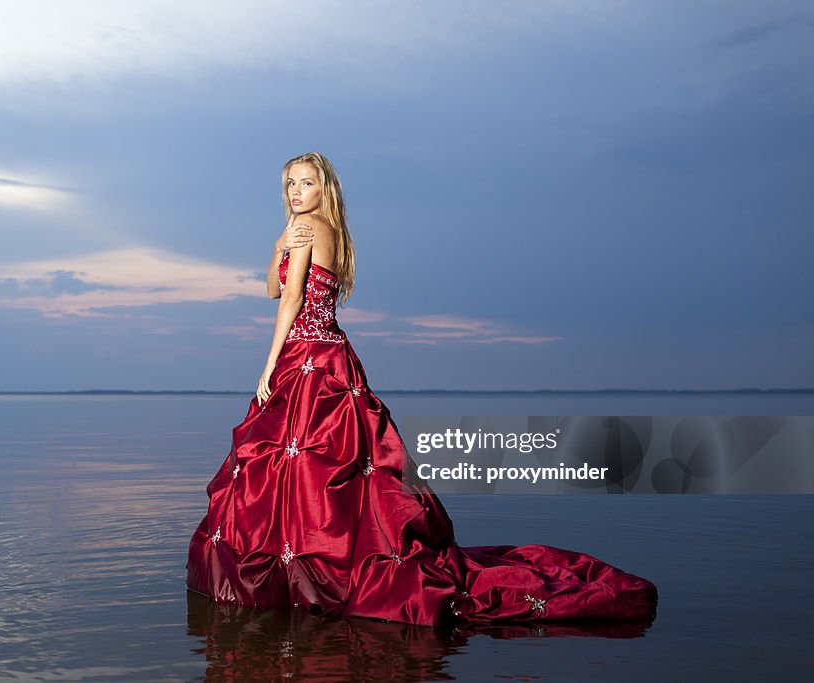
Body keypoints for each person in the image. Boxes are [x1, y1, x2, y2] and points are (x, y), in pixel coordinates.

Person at [185, 152, 658, 628]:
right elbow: (272, 286)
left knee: (309, 467)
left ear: (323, 189)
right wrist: (277, 244)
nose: (295, 191)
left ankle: (316, 568)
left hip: (308, 359)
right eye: (289, 183)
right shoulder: (311, 231)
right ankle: (314, 559)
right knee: (318, 468)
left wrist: (267, 363)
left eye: (306, 183)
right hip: (324, 357)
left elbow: (288, 301)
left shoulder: (312, 230)